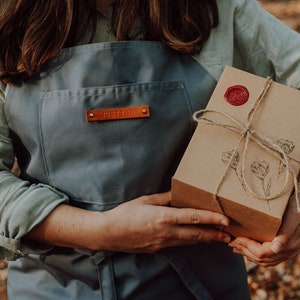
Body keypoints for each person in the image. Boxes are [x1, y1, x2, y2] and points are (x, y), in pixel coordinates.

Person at [0, 0, 300, 299]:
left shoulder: (216, 9)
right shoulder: (9, 20)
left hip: (202, 285)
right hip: (54, 287)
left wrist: (294, 205)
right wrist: (96, 230)